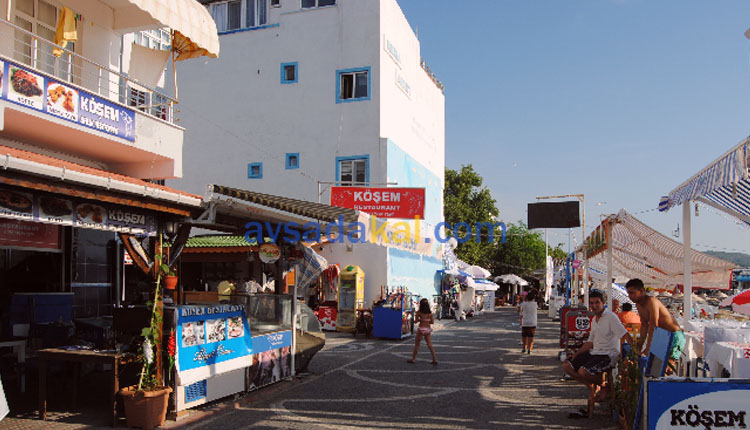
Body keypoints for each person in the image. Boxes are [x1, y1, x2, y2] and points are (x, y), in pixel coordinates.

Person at [563, 290, 633, 418]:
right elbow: (590, 342)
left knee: (583, 372)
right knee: (567, 366)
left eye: (597, 303)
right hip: (595, 352)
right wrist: (576, 354)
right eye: (591, 303)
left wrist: (636, 351)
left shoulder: (611, 317)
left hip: (608, 355)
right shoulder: (594, 320)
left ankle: (603, 385)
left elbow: (624, 335)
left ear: (603, 303)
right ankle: (599, 385)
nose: (594, 306)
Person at [625, 278, 683, 361]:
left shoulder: (652, 301)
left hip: (673, 335)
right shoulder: (638, 304)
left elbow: (653, 326)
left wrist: (649, 348)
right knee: (656, 367)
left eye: (632, 293)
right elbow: (644, 325)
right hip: (662, 335)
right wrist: (639, 346)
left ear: (641, 291)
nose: (630, 296)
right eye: (628, 293)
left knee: (666, 368)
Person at [408, 298, 438, 365]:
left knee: (417, 344)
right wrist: (427, 321)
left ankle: (413, 358)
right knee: (429, 345)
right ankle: (434, 359)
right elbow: (432, 322)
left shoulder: (419, 312)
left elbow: (415, 322)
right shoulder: (429, 313)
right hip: (427, 329)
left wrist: (419, 319)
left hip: (421, 329)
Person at [519, 289, 538, 354]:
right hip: (532, 322)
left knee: (524, 336)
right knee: (531, 336)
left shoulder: (523, 304)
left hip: (525, 322)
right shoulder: (535, 304)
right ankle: (529, 349)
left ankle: (524, 348)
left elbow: (520, 311)